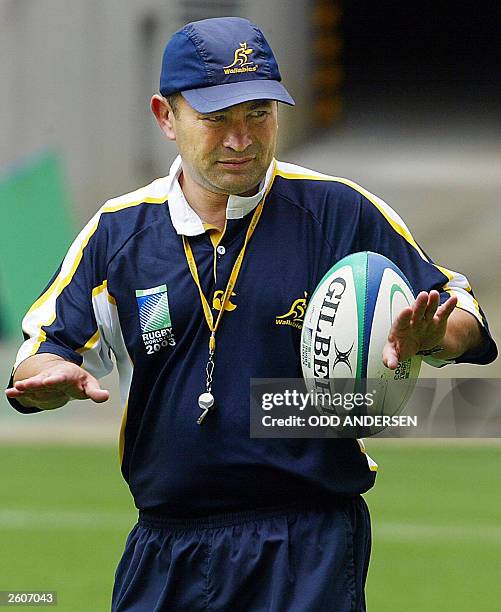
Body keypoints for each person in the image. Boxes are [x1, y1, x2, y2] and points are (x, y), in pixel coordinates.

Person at [5, 16, 497, 612]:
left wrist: (435, 334)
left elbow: (465, 315)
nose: (241, 139)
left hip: (307, 542)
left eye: (258, 114)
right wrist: (43, 385)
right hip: (167, 544)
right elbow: (41, 355)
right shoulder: (120, 232)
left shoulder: (336, 211)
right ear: (166, 117)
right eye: (216, 119)